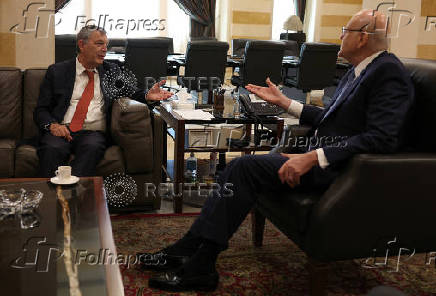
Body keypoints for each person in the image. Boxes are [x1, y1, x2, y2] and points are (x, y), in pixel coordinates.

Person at [140, 9, 414, 292]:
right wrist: (285, 103)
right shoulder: (360, 70)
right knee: (239, 170)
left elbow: (382, 138)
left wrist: (314, 156)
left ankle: (200, 265)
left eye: (346, 29)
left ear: (362, 38)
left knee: (241, 168)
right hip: (321, 159)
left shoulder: (387, 72)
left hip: (344, 172)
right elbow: (332, 120)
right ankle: (188, 250)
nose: (340, 34)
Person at [34, 25, 172, 177]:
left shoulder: (111, 71)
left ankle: (73, 194)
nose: (105, 49)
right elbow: (41, 109)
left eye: (106, 44)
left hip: (93, 133)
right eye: (99, 44)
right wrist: (52, 125)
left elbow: (131, 91)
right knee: (51, 148)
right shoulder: (57, 71)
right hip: (62, 130)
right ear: (82, 45)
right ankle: (51, 197)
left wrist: (147, 96)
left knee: (92, 147)